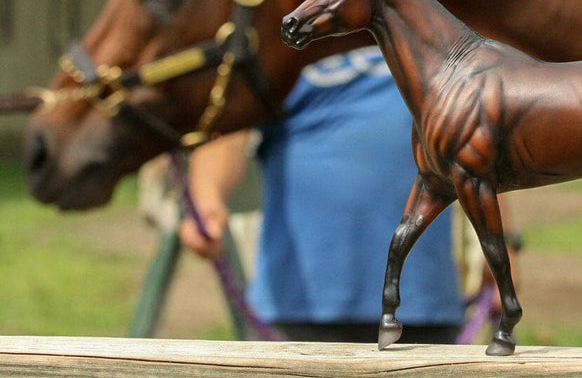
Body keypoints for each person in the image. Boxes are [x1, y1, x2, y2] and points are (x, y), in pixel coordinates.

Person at [179, 45, 465, 343]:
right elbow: (231, 127)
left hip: (423, 305)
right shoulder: (281, 33)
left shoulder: (429, 28)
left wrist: (505, 245)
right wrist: (207, 198)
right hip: (297, 309)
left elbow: (478, 137)